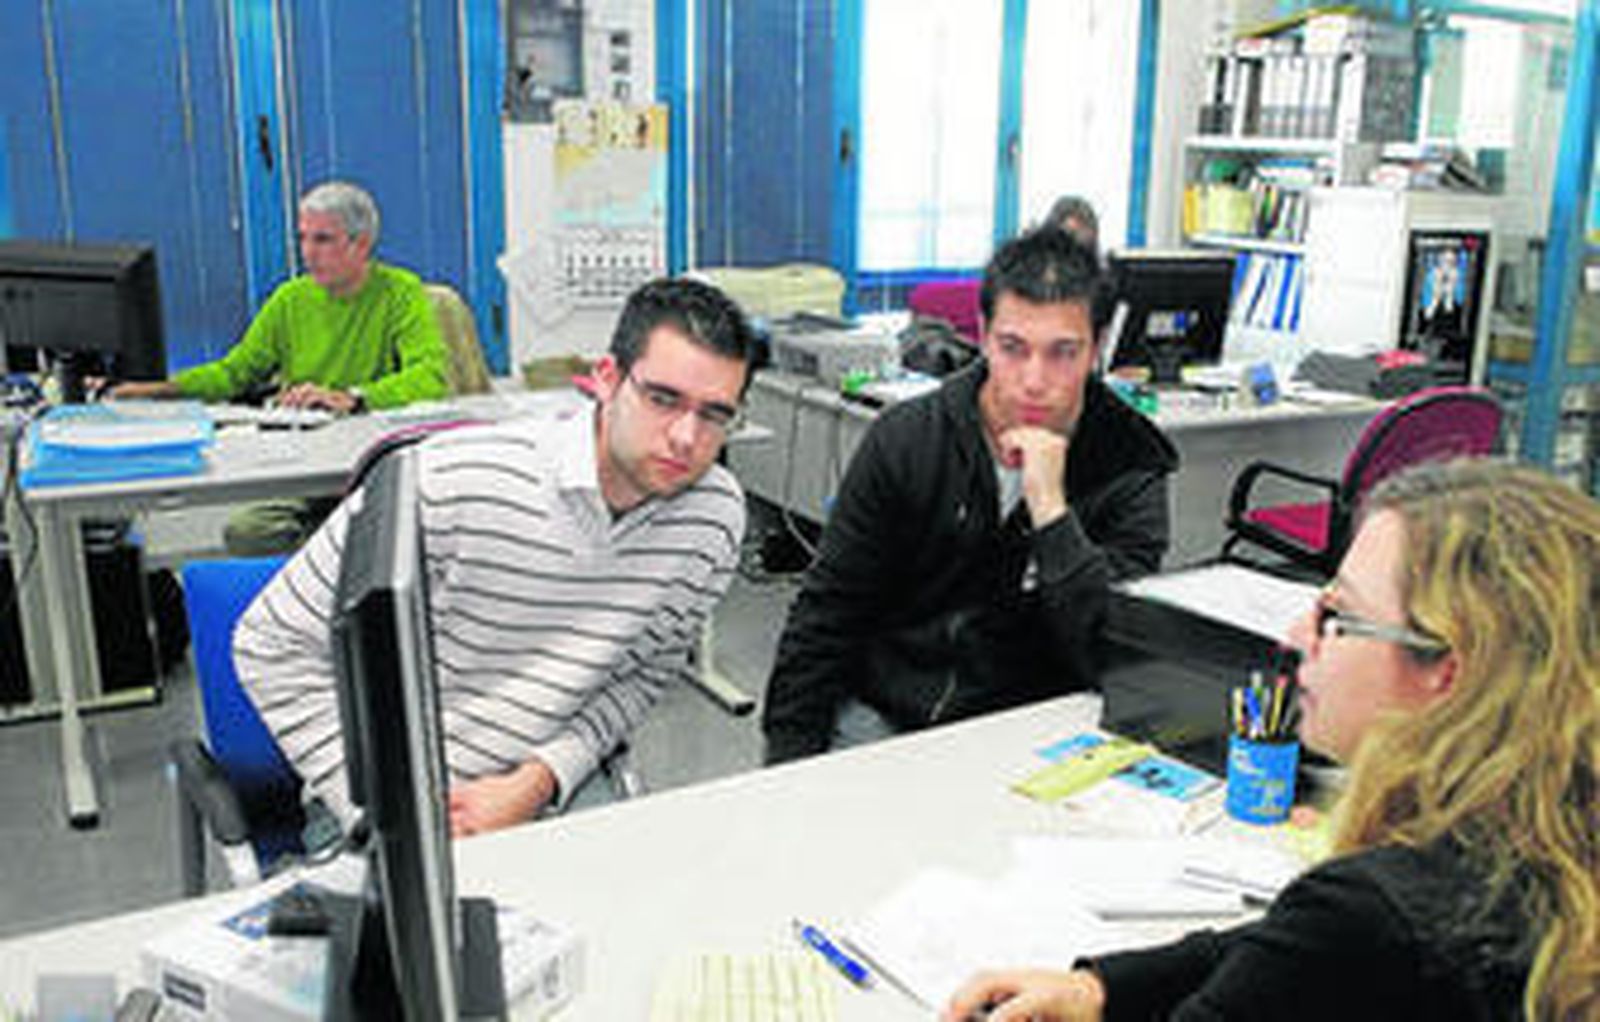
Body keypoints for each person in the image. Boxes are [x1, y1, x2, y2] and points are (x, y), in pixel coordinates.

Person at [944, 458, 1600, 1022]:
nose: (1295, 638)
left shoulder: (1374, 915)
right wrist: (1101, 987)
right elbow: (1283, 952)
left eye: (1338, 616)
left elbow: (1324, 946)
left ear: (1447, 672)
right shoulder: (1550, 848)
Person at [235, 277, 758, 837]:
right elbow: (270, 642)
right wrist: (390, 808)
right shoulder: (450, 478)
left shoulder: (713, 518)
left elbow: (644, 674)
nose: (686, 437)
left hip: (551, 786)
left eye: (714, 414)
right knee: (420, 925)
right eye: (663, 398)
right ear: (606, 379)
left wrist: (539, 780)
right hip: (394, 797)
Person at [761, 228, 1178, 765]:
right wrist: (785, 770)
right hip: (891, 713)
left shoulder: (1131, 462)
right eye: (1013, 348)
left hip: (1036, 730)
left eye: (1063, 353)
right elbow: (825, 616)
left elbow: (1110, 658)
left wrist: (1052, 511)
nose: (1034, 379)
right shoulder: (909, 438)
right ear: (982, 335)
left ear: (1097, 349)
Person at [112, 180, 451, 553]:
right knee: (248, 533)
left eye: (322, 240)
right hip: (304, 457)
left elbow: (430, 376)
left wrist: (354, 398)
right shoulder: (290, 299)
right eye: (302, 238)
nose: (308, 253)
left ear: (362, 244)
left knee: (384, 536)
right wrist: (157, 389)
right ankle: (320, 574)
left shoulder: (400, 293)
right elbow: (234, 373)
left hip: (370, 460)